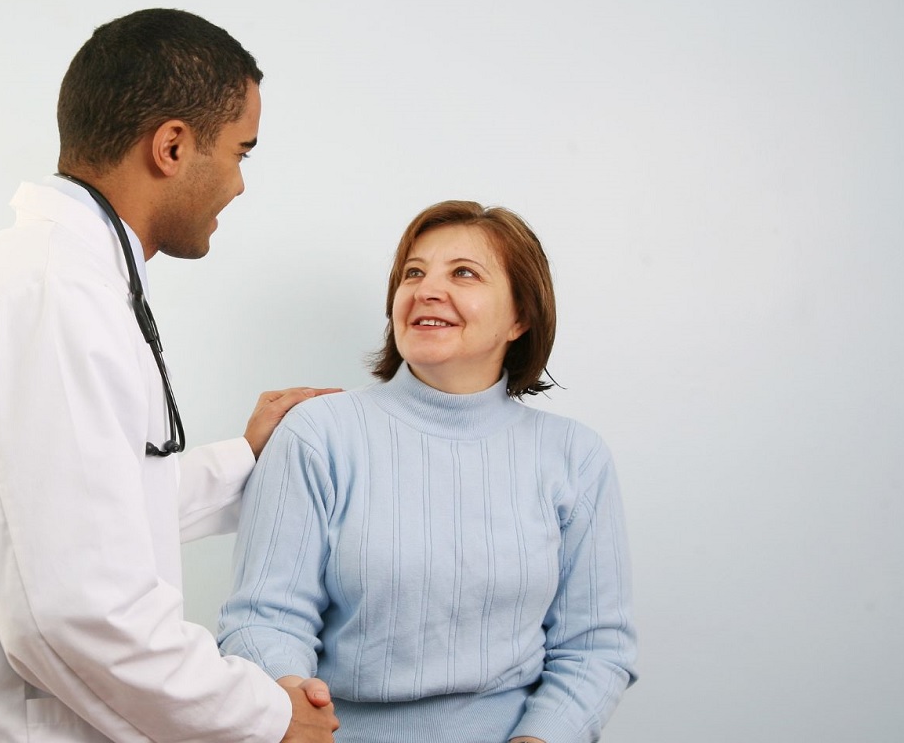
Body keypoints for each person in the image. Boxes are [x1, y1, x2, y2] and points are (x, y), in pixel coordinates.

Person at [0, 9, 341, 743]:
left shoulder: (66, 284)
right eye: (242, 151)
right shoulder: (47, 298)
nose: (241, 185)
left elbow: (85, 507)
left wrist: (247, 460)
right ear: (173, 147)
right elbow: (76, 612)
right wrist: (269, 717)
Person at [218, 201, 637, 743]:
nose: (425, 290)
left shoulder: (575, 456)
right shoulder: (316, 434)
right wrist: (296, 701)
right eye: (413, 273)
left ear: (520, 317)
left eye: (463, 273)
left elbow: (595, 647)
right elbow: (262, 618)